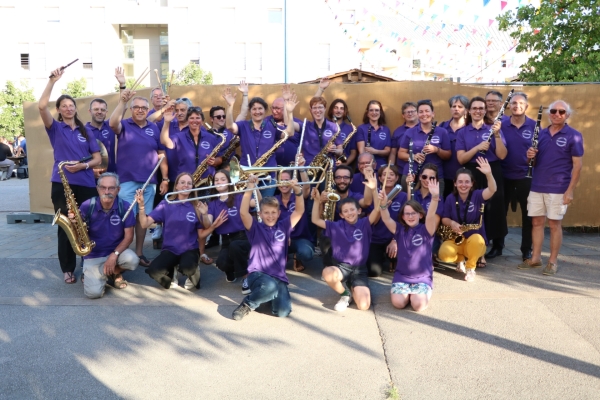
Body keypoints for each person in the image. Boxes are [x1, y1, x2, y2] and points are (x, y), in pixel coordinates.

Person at [39, 66, 102, 284]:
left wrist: (83, 167)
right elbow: (40, 106)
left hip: (85, 183)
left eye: (71, 105)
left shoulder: (86, 131)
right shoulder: (54, 128)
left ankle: (89, 266)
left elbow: (97, 159)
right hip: (62, 184)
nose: (68, 108)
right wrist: (52, 81)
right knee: (66, 225)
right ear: (58, 109)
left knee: (89, 225)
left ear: (76, 109)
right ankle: (68, 268)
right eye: (63, 106)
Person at [518, 100, 583, 276]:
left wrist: (569, 190)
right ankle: (536, 258)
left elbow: (577, 166)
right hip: (537, 185)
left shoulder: (574, 135)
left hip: (559, 187)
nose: (557, 114)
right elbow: (532, 162)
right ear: (549, 114)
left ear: (567, 115)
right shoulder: (540, 134)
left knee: (554, 224)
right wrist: (529, 156)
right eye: (553, 111)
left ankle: (552, 262)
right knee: (536, 223)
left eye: (561, 112)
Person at [231, 174, 305, 321]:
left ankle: (264, 296)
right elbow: (243, 212)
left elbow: (299, 211)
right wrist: (250, 187)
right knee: (269, 287)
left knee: (283, 312)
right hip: (257, 274)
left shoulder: (284, 226)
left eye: (273, 213)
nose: (270, 216)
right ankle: (248, 303)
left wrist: (298, 191)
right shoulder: (255, 228)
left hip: (278, 277)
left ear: (278, 213)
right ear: (260, 214)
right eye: (266, 213)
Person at [109, 89, 168, 267]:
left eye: (144, 107)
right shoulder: (124, 124)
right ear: (132, 109)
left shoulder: (154, 128)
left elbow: (161, 153)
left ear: (148, 109)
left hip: (149, 182)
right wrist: (122, 102)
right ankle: (119, 251)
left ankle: (140, 253)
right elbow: (112, 124)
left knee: (141, 221)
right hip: (127, 181)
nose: (140, 110)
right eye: (137, 107)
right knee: (125, 218)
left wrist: (164, 177)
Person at [137, 172, 227, 289]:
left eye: (189, 183)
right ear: (177, 186)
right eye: (183, 183)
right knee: (154, 271)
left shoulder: (196, 206)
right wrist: (141, 206)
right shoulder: (166, 204)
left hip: (189, 249)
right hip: (170, 249)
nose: (186, 185)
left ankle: (193, 272)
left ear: (192, 187)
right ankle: (172, 271)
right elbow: (144, 224)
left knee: (187, 268)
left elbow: (203, 230)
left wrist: (204, 214)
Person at [311, 174, 380, 312]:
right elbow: (315, 220)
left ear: (359, 211)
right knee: (327, 273)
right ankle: (345, 294)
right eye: (345, 211)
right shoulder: (336, 225)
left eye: (352, 210)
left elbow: (377, 209)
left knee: (363, 306)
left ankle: (352, 285)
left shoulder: (364, 223)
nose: (349, 213)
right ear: (341, 214)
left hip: (360, 269)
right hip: (342, 267)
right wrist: (317, 201)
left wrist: (374, 189)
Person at [456, 96, 507, 264]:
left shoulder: (493, 128)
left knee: (494, 208)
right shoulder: (463, 132)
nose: (477, 111)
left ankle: (495, 246)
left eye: (481, 108)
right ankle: (473, 244)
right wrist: (477, 148)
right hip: (471, 172)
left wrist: (497, 135)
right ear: (469, 111)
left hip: (491, 170)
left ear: (485, 111)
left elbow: (501, 155)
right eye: (474, 108)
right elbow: (461, 159)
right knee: (474, 210)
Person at [223, 86, 297, 197]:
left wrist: (290, 112)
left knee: (266, 206)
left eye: (260, 108)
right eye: (254, 109)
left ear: (265, 110)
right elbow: (230, 126)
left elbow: (289, 133)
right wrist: (230, 106)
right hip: (248, 175)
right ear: (250, 111)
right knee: (250, 207)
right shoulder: (243, 125)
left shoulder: (271, 125)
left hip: (269, 175)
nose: (257, 111)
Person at [379, 181, 441, 311]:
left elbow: (431, 216)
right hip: (402, 276)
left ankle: (419, 293)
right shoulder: (399, 229)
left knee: (418, 305)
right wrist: (383, 205)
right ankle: (409, 294)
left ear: (420, 215)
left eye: (414, 213)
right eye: (407, 213)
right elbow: (386, 219)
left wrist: (435, 197)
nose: (410, 216)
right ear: (402, 216)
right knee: (398, 303)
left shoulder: (426, 230)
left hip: (422, 277)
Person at [76, 173, 139, 298]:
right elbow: (78, 236)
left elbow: (129, 237)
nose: (107, 191)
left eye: (111, 188)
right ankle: (105, 273)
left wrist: (114, 255)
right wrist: (73, 223)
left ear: (118, 190)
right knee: (93, 294)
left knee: (132, 260)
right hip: (93, 255)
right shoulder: (87, 206)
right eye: (103, 187)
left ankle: (112, 272)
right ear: (97, 188)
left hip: (116, 252)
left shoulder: (125, 206)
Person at [438, 159, 497, 282]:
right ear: (454, 183)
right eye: (460, 182)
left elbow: (492, 190)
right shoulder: (450, 198)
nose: (463, 185)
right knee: (444, 253)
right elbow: (444, 218)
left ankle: (470, 268)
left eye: (466, 182)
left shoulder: (477, 195)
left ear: (472, 184)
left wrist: (489, 174)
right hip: (457, 238)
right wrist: (452, 223)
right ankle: (460, 260)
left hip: (474, 240)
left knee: (477, 240)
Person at [199, 169, 258, 285]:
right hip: (226, 240)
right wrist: (205, 215)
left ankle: (246, 276)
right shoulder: (212, 203)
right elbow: (208, 225)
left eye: (222, 179)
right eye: (216, 180)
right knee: (221, 262)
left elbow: (257, 203)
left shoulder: (239, 197)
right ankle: (232, 271)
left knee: (235, 246)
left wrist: (253, 186)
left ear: (229, 182)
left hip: (243, 237)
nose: (219, 182)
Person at [500, 92, 536, 261]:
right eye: (514, 103)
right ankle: (498, 246)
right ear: (509, 106)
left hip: (525, 176)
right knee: (500, 212)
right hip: (504, 174)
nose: (517, 106)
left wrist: (534, 155)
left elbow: (540, 153)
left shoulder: (535, 126)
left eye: (521, 103)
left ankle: (526, 249)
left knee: (527, 215)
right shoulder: (501, 124)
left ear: (526, 106)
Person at [398, 100, 451, 196]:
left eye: (427, 111)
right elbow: (401, 153)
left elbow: (448, 155)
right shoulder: (410, 132)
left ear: (433, 114)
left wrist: (436, 150)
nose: (424, 114)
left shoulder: (442, 132)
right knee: (411, 205)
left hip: (434, 176)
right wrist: (413, 156)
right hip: (412, 175)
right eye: (421, 112)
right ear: (417, 115)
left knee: (435, 206)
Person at [367, 165, 407, 277]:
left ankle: (392, 259)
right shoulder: (375, 194)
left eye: (391, 174)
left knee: (405, 267)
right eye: (384, 174)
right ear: (379, 178)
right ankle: (384, 258)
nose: (388, 177)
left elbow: (406, 221)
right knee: (373, 272)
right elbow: (372, 222)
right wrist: (381, 208)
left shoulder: (403, 196)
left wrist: (395, 240)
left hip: (395, 239)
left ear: (396, 178)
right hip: (376, 239)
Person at [275, 158, 313, 272]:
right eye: (281, 180)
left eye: (287, 180)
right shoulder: (274, 200)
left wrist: (301, 168)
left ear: (292, 181)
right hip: (282, 238)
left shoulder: (298, 196)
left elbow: (306, 188)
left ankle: (297, 257)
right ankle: (283, 256)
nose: (284, 183)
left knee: (306, 253)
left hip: (301, 238)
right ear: (277, 183)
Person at [439, 95, 469, 198]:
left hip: (464, 178)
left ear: (466, 110)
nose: (456, 109)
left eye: (460, 107)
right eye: (453, 106)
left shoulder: (470, 128)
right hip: (444, 176)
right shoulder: (442, 127)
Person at [301, 96, 344, 166]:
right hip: (310, 167)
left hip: (327, 167)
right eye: (314, 108)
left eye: (320, 107)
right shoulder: (305, 126)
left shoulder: (334, 127)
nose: (317, 110)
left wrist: (335, 150)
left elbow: (340, 151)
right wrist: (289, 111)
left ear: (325, 109)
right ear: (311, 110)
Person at [389, 102, 418, 192]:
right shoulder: (397, 131)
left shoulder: (424, 128)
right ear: (403, 115)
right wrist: (391, 169)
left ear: (417, 112)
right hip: (402, 171)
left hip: (421, 171)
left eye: (412, 111)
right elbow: (393, 153)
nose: (410, 114)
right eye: (407, 112)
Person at [356, 100, 391, 167]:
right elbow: (361, 152)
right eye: (371, 110)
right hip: (365, 165)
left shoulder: (386, 130)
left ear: (380, 113)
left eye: (377, 110)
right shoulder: (361, 128)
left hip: (381, 166)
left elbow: (387, 151)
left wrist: (375, 151)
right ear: (367, 113)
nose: (374, 113)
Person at [86, 98, 116, 174]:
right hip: (90, 177)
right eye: (96, 109)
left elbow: (122, 106)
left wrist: (122, 87)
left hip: (111, 175)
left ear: (106, 112)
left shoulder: (111, 125)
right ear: (90, 111)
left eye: (102, 110)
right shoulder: (82, 131)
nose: (99, 112)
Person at [328, 98, 357, 166]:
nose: (338, 111)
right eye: (336, 108)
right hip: (325, 164)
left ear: (344, 112)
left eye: (341, 108)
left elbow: (353, 153)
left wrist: (344, 165)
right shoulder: (325, 125)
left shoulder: (350, 129)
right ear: (331, 110)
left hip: (342, 166)